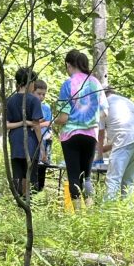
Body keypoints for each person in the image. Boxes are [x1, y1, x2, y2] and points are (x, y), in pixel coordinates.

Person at [55, 49, 108, 208]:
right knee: (87, 176)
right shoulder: (95, 83)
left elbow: (63, 118)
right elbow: (105, 112)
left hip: (71, 135)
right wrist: (90, 119)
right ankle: (90, 211)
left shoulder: (67, 84)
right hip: (91, 135)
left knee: (73, 176)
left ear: (68, 65)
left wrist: (54, 121)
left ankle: (78, 215)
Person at [98, 87, 134, 200]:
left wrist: (99, 156)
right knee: (128, 180)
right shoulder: (126, 101)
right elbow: (126, 133)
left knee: (113, 178)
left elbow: (100, 134)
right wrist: (103, 150)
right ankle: (126, 211)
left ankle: (108, 211)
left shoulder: (103, 105)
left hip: (125, 139)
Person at [5, 67, 43, 197]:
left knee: (17, 173)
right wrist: (41, 146)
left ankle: (18, 201)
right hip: (31, 142)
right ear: (30, 83)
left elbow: (6, 125)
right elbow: (37, 126)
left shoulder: (10, 100)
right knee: (30, 173)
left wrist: (21, 122)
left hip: (15, 140)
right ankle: (29, 201)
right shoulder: (34, 100)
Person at [33, 79, 53, 192]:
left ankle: (40, 189)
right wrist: (39, 123)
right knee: (35, 164)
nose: (41, 97)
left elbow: (49, 122)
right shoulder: (30, 106)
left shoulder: (46, 108)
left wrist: (37, 123)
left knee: (43, 165)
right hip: (35, 139)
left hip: (46, 139)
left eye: (43, 94)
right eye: (39, 94)